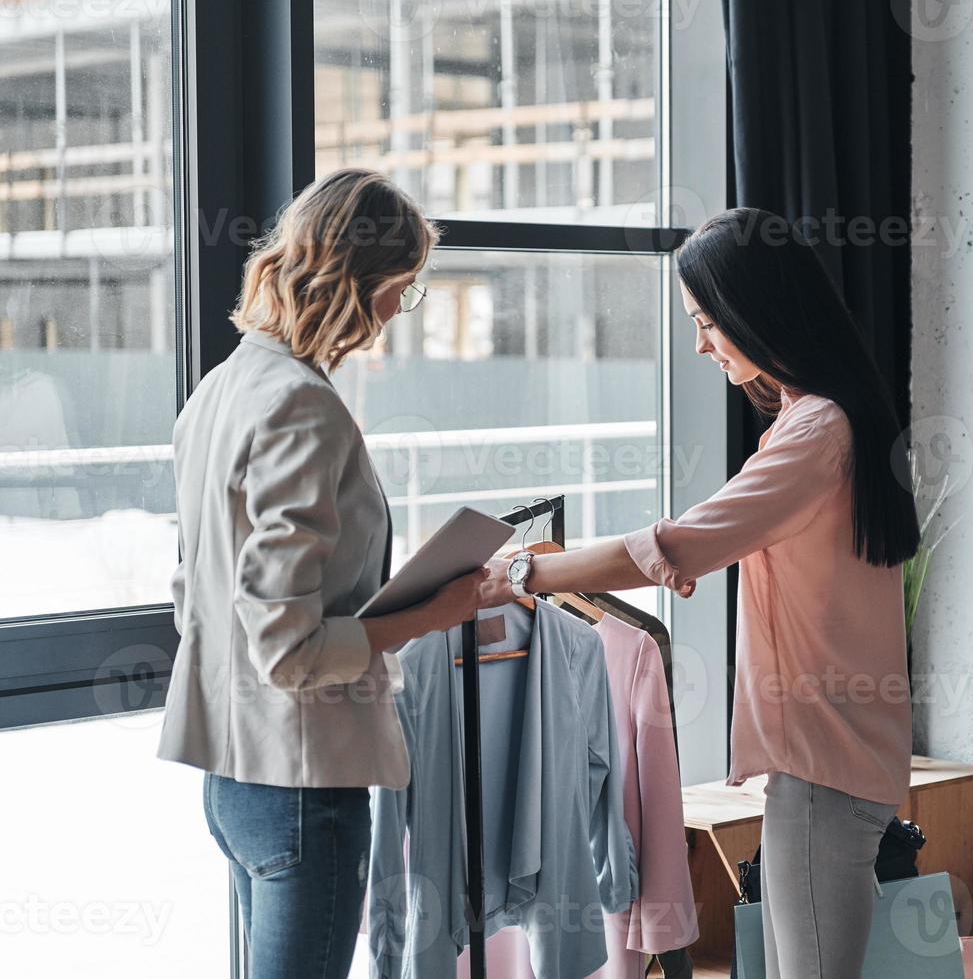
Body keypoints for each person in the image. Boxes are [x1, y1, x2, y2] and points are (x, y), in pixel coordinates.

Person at [482, 208, 919, 978]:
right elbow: (702, 542)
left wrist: (527, 574)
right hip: (831, 765)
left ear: (763, 311)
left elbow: (682, 543)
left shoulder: (817, 432)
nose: (700, 345)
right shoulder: (823, 418)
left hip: (824, 772)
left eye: (709, 323)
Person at [158, 168, 495, 979]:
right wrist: (434, 609)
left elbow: (195, 597)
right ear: (360, 282)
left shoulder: (222, 387)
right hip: (301, 787)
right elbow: (291, 650)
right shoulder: (303, 404)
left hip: (235, 783)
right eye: (401, 291)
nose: (394, 314)